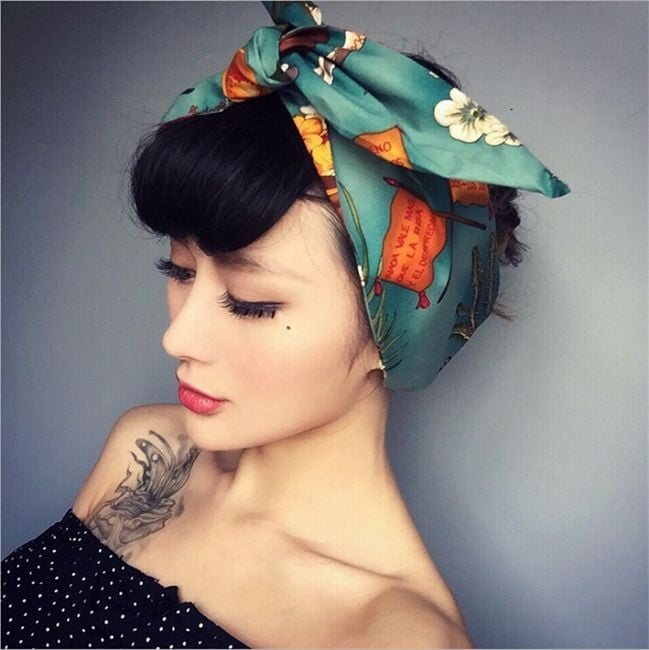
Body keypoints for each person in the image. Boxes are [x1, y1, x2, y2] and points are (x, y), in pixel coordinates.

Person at [1, 2, 569, 648]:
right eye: (179, 270)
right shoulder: (145, 451)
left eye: (251, 303)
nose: (177, 338)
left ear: (400, 330)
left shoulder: (391, 636)